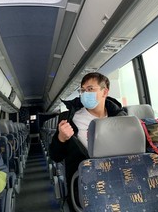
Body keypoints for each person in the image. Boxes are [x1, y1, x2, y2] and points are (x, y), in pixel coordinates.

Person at [49, 72, 127, 211]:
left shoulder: (121, 118)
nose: (85, 94)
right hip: (85, 185)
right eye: (82, 90)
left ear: (105, 92)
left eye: (90, 89)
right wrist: (61, 138)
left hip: (119, 181)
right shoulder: (69, 119)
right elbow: (55, 156)